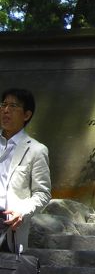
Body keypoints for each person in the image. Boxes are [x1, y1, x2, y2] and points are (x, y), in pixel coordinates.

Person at [0, 88, 51, 253]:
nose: (6, 110)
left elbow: (42, 193)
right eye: (4, 104)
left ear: (26, 115)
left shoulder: (36, 150)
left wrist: (21, 212)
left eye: (13, 106)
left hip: (8, 226)